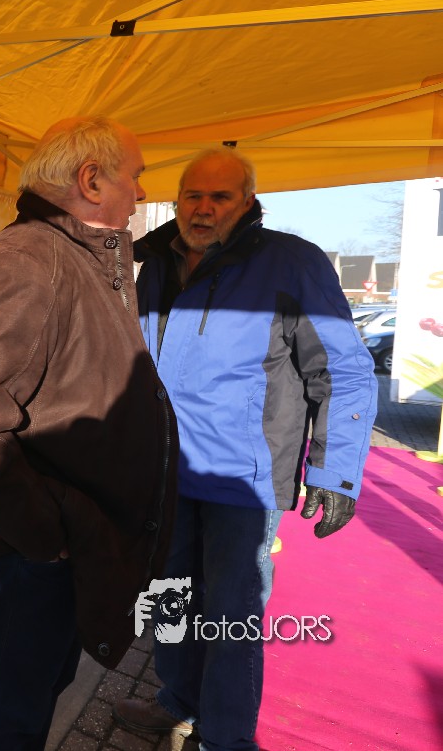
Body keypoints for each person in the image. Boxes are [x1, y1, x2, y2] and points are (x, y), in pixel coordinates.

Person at [0, 116, 179, 750]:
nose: (142, 193)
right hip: (34, 552)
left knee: (35, 693)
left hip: (59, 544)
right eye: (136, 176)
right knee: (6, 715)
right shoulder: (30, 261)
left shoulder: (74, 256)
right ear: (92, 180)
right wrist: (45, 534)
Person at [115, 147, 377, 750]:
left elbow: (342, 369)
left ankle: (226, 736)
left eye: (220, 197)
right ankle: (177, 698)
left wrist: (335, 472)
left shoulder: (291, 262)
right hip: (165, 472)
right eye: (193, 195)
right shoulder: (154, 262)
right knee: (168, 597)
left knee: (231, 614)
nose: (203, 209)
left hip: (243, 480)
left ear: (249, 202)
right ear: (178, 199)